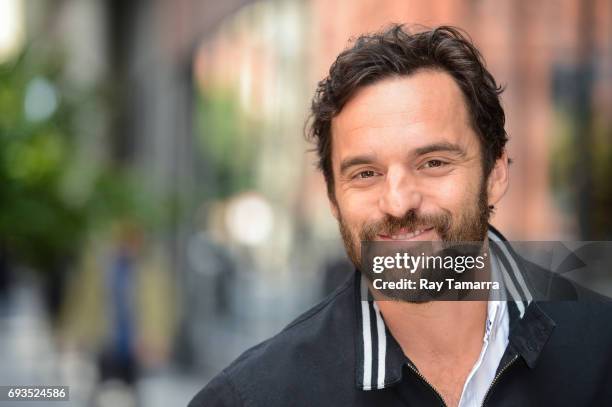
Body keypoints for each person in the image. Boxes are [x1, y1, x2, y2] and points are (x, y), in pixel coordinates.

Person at [189, 25, 612, 407]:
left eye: (432, 163)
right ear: (333, 198)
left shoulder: (602, 353)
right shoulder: (254, 399)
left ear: (495, 173)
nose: (398, 202)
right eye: (366, 173)